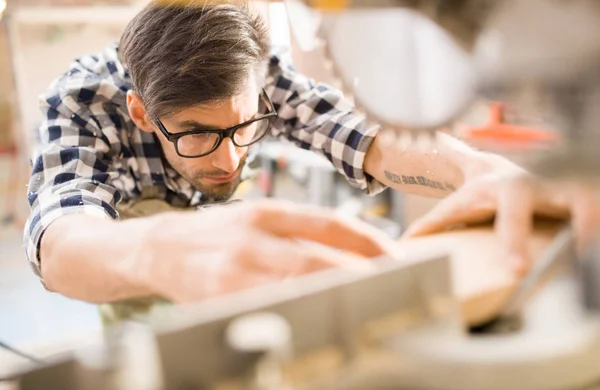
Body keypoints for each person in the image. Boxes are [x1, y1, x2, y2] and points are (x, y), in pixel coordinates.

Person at [22, 0, 593, 306]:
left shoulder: (263, 71)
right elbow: (63, 240)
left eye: (244, 127)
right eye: (196, 134)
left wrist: (482, 170)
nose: (227, 161)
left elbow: (361, 135)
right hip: (131, 253)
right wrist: (156, 252)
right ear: (143, 114)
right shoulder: (78, 103)